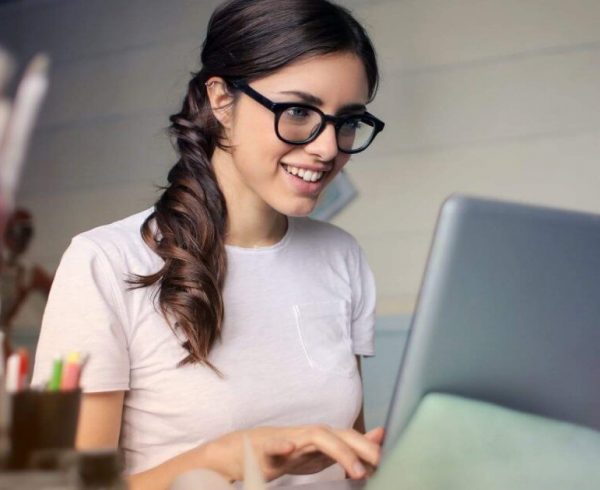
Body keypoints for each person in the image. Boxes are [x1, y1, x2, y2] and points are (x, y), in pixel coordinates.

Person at [32, 0, 386, 488]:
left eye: (347, 121)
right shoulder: (102, 263)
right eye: (299, 111)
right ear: (221, 99)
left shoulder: (341, 255)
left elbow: (353, 467)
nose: (327, 148)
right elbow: (58, 484)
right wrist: (224, 459)